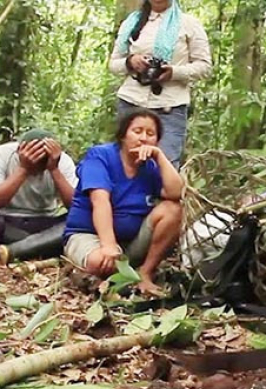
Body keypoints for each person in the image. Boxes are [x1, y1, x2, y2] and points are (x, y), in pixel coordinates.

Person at [63, 109, 184, 295]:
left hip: (131, 242)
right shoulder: (100, 156)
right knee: (100, 262)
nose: (143, 138)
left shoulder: (151, 167)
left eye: (150, 134)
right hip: (89, 235)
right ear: (123, 136)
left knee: (173, 209)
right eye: (137, 131)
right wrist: (109, 245)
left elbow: (176, 193)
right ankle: (119, 272)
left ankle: (145, 272)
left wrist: (160, 157)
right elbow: (100, 201)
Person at [109, 0, 212, 165]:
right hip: (131, 102)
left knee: (166, 165)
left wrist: (174, 72)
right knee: (125, 164)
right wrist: (131, 62)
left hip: (169, 106)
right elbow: (113, 64)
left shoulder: (189, 24)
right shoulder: (132, 22)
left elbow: (205, 67)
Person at [0, 129, 78, 264]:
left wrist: (54, 169)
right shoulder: (1, 154)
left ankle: (18, 250)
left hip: (46, 222)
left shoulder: (62, 161)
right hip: (7, 223)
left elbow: (77, 207)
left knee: (83, 220)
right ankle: (45, 246)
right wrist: (23, 169)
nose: (37, 166)